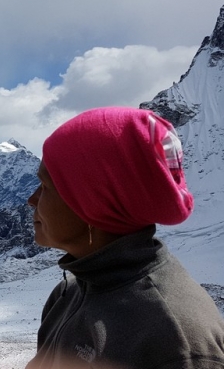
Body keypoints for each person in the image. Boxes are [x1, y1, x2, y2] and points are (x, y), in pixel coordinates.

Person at [25, 107, 224, 368]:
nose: (32, 200)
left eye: (46, 186)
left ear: (93, 202)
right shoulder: (68, 292)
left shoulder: (175, 339)